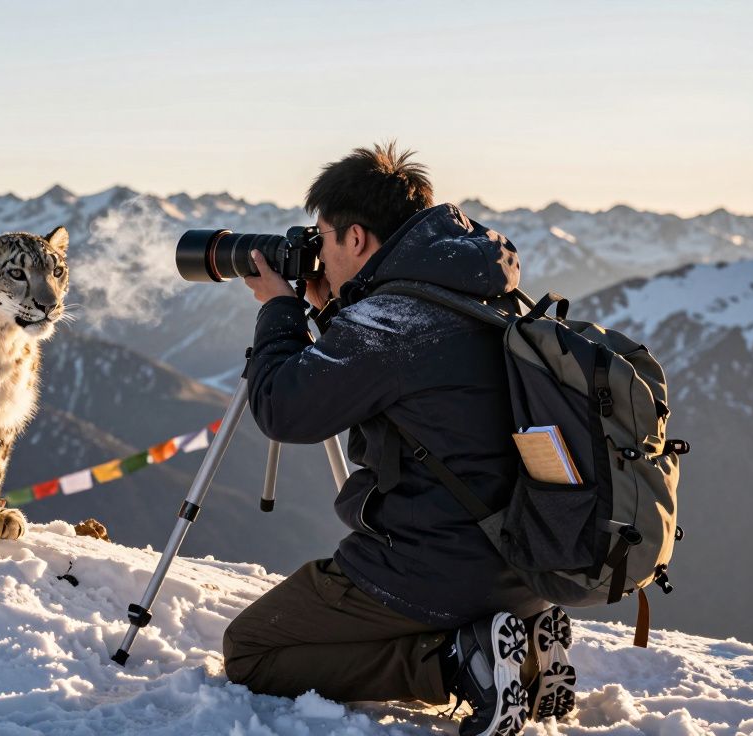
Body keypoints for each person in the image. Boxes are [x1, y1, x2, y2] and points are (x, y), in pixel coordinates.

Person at [222, 143, 572, 736]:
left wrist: (280, 311)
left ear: (355, 239)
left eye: (324, 237)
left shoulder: (391, 322)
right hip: (527, 559)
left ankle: (458, 663)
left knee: (250, 650)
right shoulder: (474, 287)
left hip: (435, 568)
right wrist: (338, 313)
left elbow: (284, 410)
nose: (318, 251)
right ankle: (524, 649)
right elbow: (414, 385)